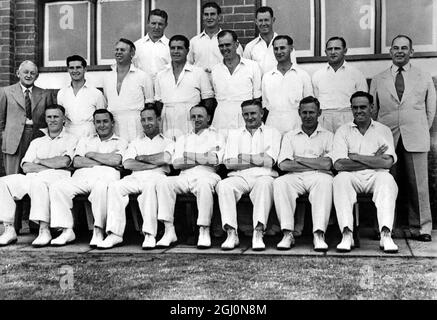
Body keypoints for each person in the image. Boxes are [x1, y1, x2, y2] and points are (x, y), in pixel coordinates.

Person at [370, 35, 436, 242]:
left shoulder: (423, 77)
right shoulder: (378, 78)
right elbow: (373, 110)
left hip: (415, 135)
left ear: (411, 52)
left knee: (419, 184)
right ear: (390, 52)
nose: (400, 51)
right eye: (396, 48)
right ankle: (385, 226)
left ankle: (422, 227)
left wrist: (419, 128)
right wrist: (376, 137)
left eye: (404, 48)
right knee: (385, 182)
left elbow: (430, 110)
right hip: (386, 138)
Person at [99, 104, 174, 250]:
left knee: (150, 187)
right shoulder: (135, 142)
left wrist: (141, 158)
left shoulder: (168, 141)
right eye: (144, 120)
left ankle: (149, 234)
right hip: (135, 176)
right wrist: (153, 163)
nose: (147, 123)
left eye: (150, 119)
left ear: (158, 120)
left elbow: (165, 158)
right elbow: (127, 164)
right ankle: (115, 233)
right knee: (115, 186)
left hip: (157, 177)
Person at [331, 91, 399, 253]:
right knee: (340, 180)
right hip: (351, 176)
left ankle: (386, 234)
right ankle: (347, 234)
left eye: (363, 107)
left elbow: (388, 161)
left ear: (372, 108)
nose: (359, 111)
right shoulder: (343, 131)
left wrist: (356, 157)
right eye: (355, 108)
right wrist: (374, 159)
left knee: (387, 180)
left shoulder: (383, 130)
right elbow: (339, 165)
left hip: (377, 175)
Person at [0, 104, 76, 247]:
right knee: (3, 182)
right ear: (45, 119)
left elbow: (64, 162)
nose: (52, 120)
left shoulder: (71, 139)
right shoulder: (37, 141)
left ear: (63, 119)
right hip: (33, 176)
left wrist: (40, 161)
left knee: (38, 183)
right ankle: (9, 229)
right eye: (49, 117)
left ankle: (44, 230)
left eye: (56, 117)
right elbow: (26, 166)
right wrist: (50, 163)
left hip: (58, 177)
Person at [49, 109, 128, 247]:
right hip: (81, 176)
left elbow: (116, 160)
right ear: (94, 124)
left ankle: (98, 231)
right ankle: (66, 231)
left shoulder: (121, 141)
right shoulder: (85, 140)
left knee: (101, 188)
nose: (101, 125)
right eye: (98, 122)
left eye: (105, 121)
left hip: (105, 177)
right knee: (57, 186)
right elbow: (77, 162)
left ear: (112, 123)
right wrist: (105, 159)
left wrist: (91, 154)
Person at [156, 105, 225, 249]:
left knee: (203, 185)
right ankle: (169, 230)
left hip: (208, 175)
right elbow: (176, 164)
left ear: (208, 118)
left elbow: (214, 160)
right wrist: (202, 157)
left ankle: (204, 229)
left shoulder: (217, 136)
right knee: (163, 182)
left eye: (200, 116)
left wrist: (189, 156)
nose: (196, 119)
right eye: (193, 117)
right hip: (184, 176)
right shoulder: (183, 138)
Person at [216, 99, 281, 251]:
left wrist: (243, 156)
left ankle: (258, 232)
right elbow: (229, 163)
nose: (250, 117)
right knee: (224, 185)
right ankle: (231, 232)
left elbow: (270, 161)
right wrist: (257, 158)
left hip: (265, 175)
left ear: (262, 113)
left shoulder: (273, 132)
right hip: (239, 177)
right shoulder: (234, 134)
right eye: (246, 114)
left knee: (265, 185)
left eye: (253, 113)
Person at [273, 96, 333, 251]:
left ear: (319, 112)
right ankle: (287, 233)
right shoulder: (289, 136)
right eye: (304, 112)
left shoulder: (328, 135)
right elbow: (284, 165)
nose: (308, 116)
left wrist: (299, 159)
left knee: (325, 182)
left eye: (311, 112)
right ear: (299, 113)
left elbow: (328, 164)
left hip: (320, 176)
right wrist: (314, 161)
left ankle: (319, 234)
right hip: (295, 176)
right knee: (280, 183)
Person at [155, 35, 214, 140]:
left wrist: (202, 121)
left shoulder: (198, 72)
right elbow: (158, 102)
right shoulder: (161, 74)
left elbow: (208, 100)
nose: (176, 51)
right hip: (168, 120)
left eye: (180, 48)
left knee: (190, 147)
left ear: (187, 50)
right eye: (173, 48)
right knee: (169, 148)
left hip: (191, 118)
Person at [0, 60, 54, 175]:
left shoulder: (45, 94)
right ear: (18, 73)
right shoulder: (6, 92)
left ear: (37, 76)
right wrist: (5, 136)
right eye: (25, 72)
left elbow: (50, 119)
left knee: (34, 175)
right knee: (13, 177)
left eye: (32, 73)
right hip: (13, 141)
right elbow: (1, 120)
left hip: (37, 138)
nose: (29, 75)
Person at [312, 36, 368, 133]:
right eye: (330, 49)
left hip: (347, 117)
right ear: (325, 52)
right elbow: (315, 100)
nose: (333, 52)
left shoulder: (356, 74)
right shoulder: (318, 75)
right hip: (324, 118)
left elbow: (362, 100)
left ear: (345, 51)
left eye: (337, 48)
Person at [103, 38, 154, 142]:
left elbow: (150, 103)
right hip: (113, 125)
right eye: (116, 50)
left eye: (122, 50)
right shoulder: (107, 77)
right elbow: (106, 102)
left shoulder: (142, 76)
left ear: (132, 53)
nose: (118, 52)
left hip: (136, 125)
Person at [211, 30, 262, 134]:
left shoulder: (252, 66)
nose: (224, 49)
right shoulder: (215, 70)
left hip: (245, 119)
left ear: (236, 44)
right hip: (221, 121)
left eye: (228, 45)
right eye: (221, 46)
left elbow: (257, 98)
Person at [262, 35, 313, 134]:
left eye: (282, 48)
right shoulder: (267, 77)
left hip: (296, 124)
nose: (279, 52)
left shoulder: (302, 75)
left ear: (291, 48)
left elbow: (309, 104)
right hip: (272, 125)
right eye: (276, 49)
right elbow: (265, 105)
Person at [187, 2, 243, 76]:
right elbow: (188, 65)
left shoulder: (230, 40)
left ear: (219, 17)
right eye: (206, 14)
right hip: (200, 84)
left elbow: (239, 66)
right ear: (202, 17)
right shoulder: (194, 42)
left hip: (222, 83)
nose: (209, 17)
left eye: (212, 14)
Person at [57, 55, 106, 138]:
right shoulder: (62, 93)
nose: (75, 71)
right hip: (68, 135)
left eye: (78, 67)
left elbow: (102, 117)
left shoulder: (96, 93)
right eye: (71, 68)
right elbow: (61, 117)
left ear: (85, 69)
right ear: (68, 70)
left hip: (89, 135)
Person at [243, 6, 297, 75]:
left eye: (266, 20)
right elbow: (246, 73)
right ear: (256, 22)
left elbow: (293, 71)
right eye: (260, 20)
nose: (263, 24)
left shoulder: (285, 45)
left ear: (273, 20)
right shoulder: (250, 47)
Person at [133, 9, 171, 82]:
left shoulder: (171, 47)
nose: (156, 27)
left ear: (166, 25)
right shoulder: (137, 46)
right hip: (142, 89)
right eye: (153, 23)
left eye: (160, 24)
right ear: (148, 23)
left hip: (164, 89)